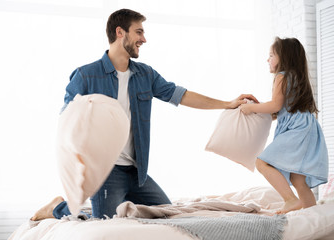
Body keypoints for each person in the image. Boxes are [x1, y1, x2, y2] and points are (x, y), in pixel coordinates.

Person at [31, 8, 257, 221]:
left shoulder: (145, 75)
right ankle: (58, 208)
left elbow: (181, 95)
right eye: (139, 32)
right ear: (120, 32)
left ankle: (111, 203)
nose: (144, 39)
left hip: (137, 173)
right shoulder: (86, 75)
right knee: (104, 222)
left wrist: (228, 104)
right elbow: (67, 121)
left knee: (167, 215)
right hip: (107, 172)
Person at [240, 37, 329, 214]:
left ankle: (290, 200)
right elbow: (282, 110)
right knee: (298, 180)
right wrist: (260, 111)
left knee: (262, 163)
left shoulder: (281, 77)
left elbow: (275, 105)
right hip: (307, 128)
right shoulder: (298, 77)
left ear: (284, 57)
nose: (268, 59)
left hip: (296, 131)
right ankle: (313, 215)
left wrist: (250, 108)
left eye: (271, 55)